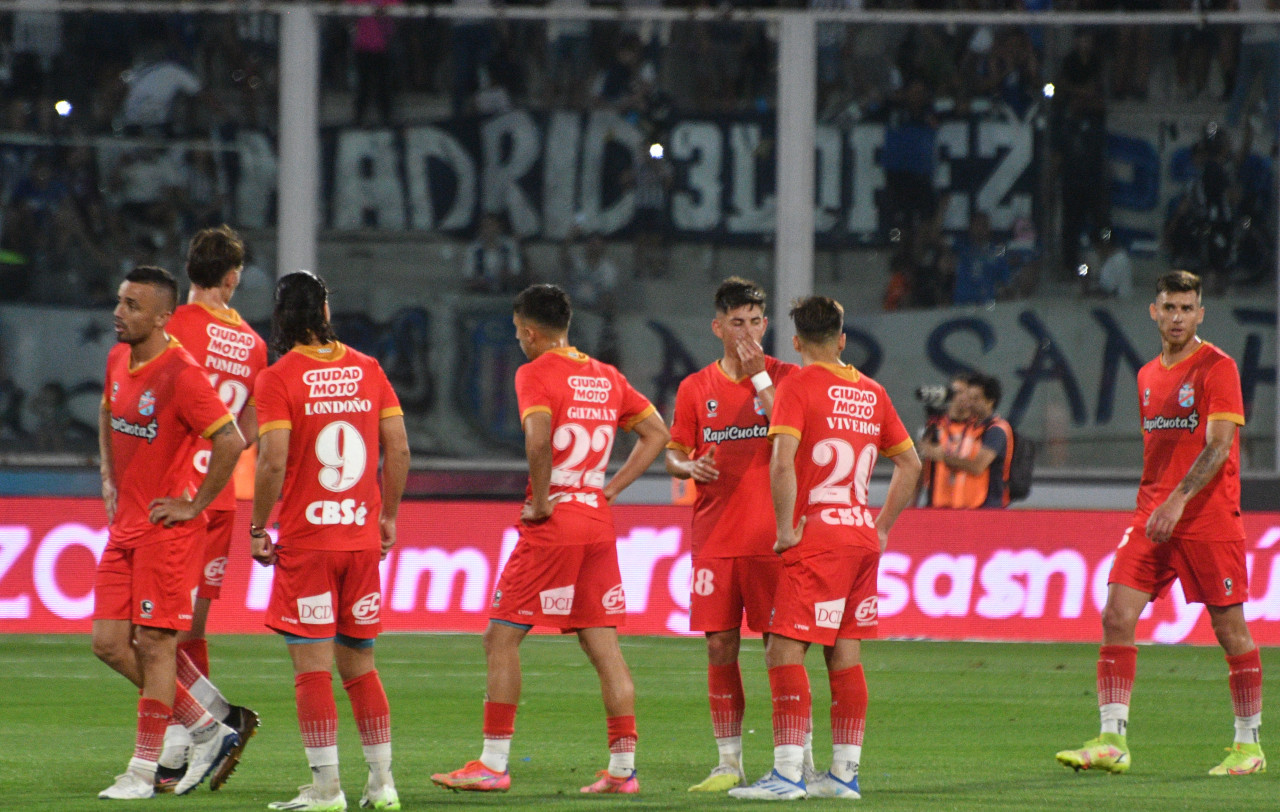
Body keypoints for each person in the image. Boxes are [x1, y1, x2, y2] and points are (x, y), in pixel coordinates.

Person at [432, 284, 670, 795]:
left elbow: (538, 440)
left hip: (556, 518)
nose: (518, 340)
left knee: (501, 637)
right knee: (603, 645)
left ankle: (493, 763)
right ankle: (623, 770)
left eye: (519, 332)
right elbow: (657, 433)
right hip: (594, 517)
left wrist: (541, 501)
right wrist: (610, 489)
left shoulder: (535, 372)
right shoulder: (607, 376)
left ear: (532, 333)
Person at [1056, 270, 1265, 777]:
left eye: (1186, 308)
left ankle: (1249, 746)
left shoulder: (1218, 367)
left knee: (1229, 628)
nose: (1176, 317)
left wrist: (1177, 502)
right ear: (1153, 311)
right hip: (1152, 514)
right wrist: (1159, 505)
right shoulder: (1147, 374)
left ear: (1200, 313)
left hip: (1206, 518)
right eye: (1168, 307)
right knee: (1117, 614)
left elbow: (1219, 446)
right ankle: (1112, 739)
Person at [729, 296, 920, 801]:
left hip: (820, 538)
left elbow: (782, 462)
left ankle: (788, 775)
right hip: (859, 534)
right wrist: (881, 527)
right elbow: (912, 466)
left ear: (795, 343)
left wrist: (789, 530)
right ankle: (843, 775)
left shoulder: (797, 385)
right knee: (845, 653)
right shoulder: (873, 392)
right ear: (841, 339)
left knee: (782, 650)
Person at [250, 271, 410, 812]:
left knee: (312, 668)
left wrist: (257, 526)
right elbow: (400, 451)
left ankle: (325, 790)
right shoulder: (367, 368)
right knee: (360, 666)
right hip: (361, 543)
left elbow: (272, 460)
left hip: (308, 542)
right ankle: (383, 784)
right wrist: (386, 516)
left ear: (279, 315)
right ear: (325, 307)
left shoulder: (279, 378)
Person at [93, 265, 247, 800]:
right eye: (120, 301)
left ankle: (141, 771)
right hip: (125, 527)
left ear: (163, 316)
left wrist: (194, 505)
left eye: (133, 306)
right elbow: (107, 408)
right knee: (109, 644)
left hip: (165, 529)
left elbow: (230, 441)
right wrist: (109, 476)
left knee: (156, 646)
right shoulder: (118, 357)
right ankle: (207, 728)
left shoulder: (182, 373)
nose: (119, 312)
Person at [665, 277, 803, 792]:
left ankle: (797, 757)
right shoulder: (695, 388)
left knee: (781, 649)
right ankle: (728, 762)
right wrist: (686, 468)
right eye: (736, 322)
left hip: (775, 537)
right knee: (719, 647)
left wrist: (758, 377)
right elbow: (675, 449)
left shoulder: (786, 377)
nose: (747, 332)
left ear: (766, 325)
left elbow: (793, 427)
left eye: (755, 322)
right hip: (716, 539)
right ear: (717, 326)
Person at [154, 225, 268, 792]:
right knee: (191, 625)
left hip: (173, 493)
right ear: (233, 276)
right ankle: (184, 742)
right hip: (218, 496)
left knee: (152, 629)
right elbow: (246, 431)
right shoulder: (252, 343)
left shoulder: (168, 326)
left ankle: (204, 724)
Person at [919, 372, 1013, 509]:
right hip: (965, 506)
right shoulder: (972, 428)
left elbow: (977, 466)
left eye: (976, 399)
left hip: (989, 508)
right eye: (969, 398)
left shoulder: (996, 430)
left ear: (990, 401)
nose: (969, 403)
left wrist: (942, 456)